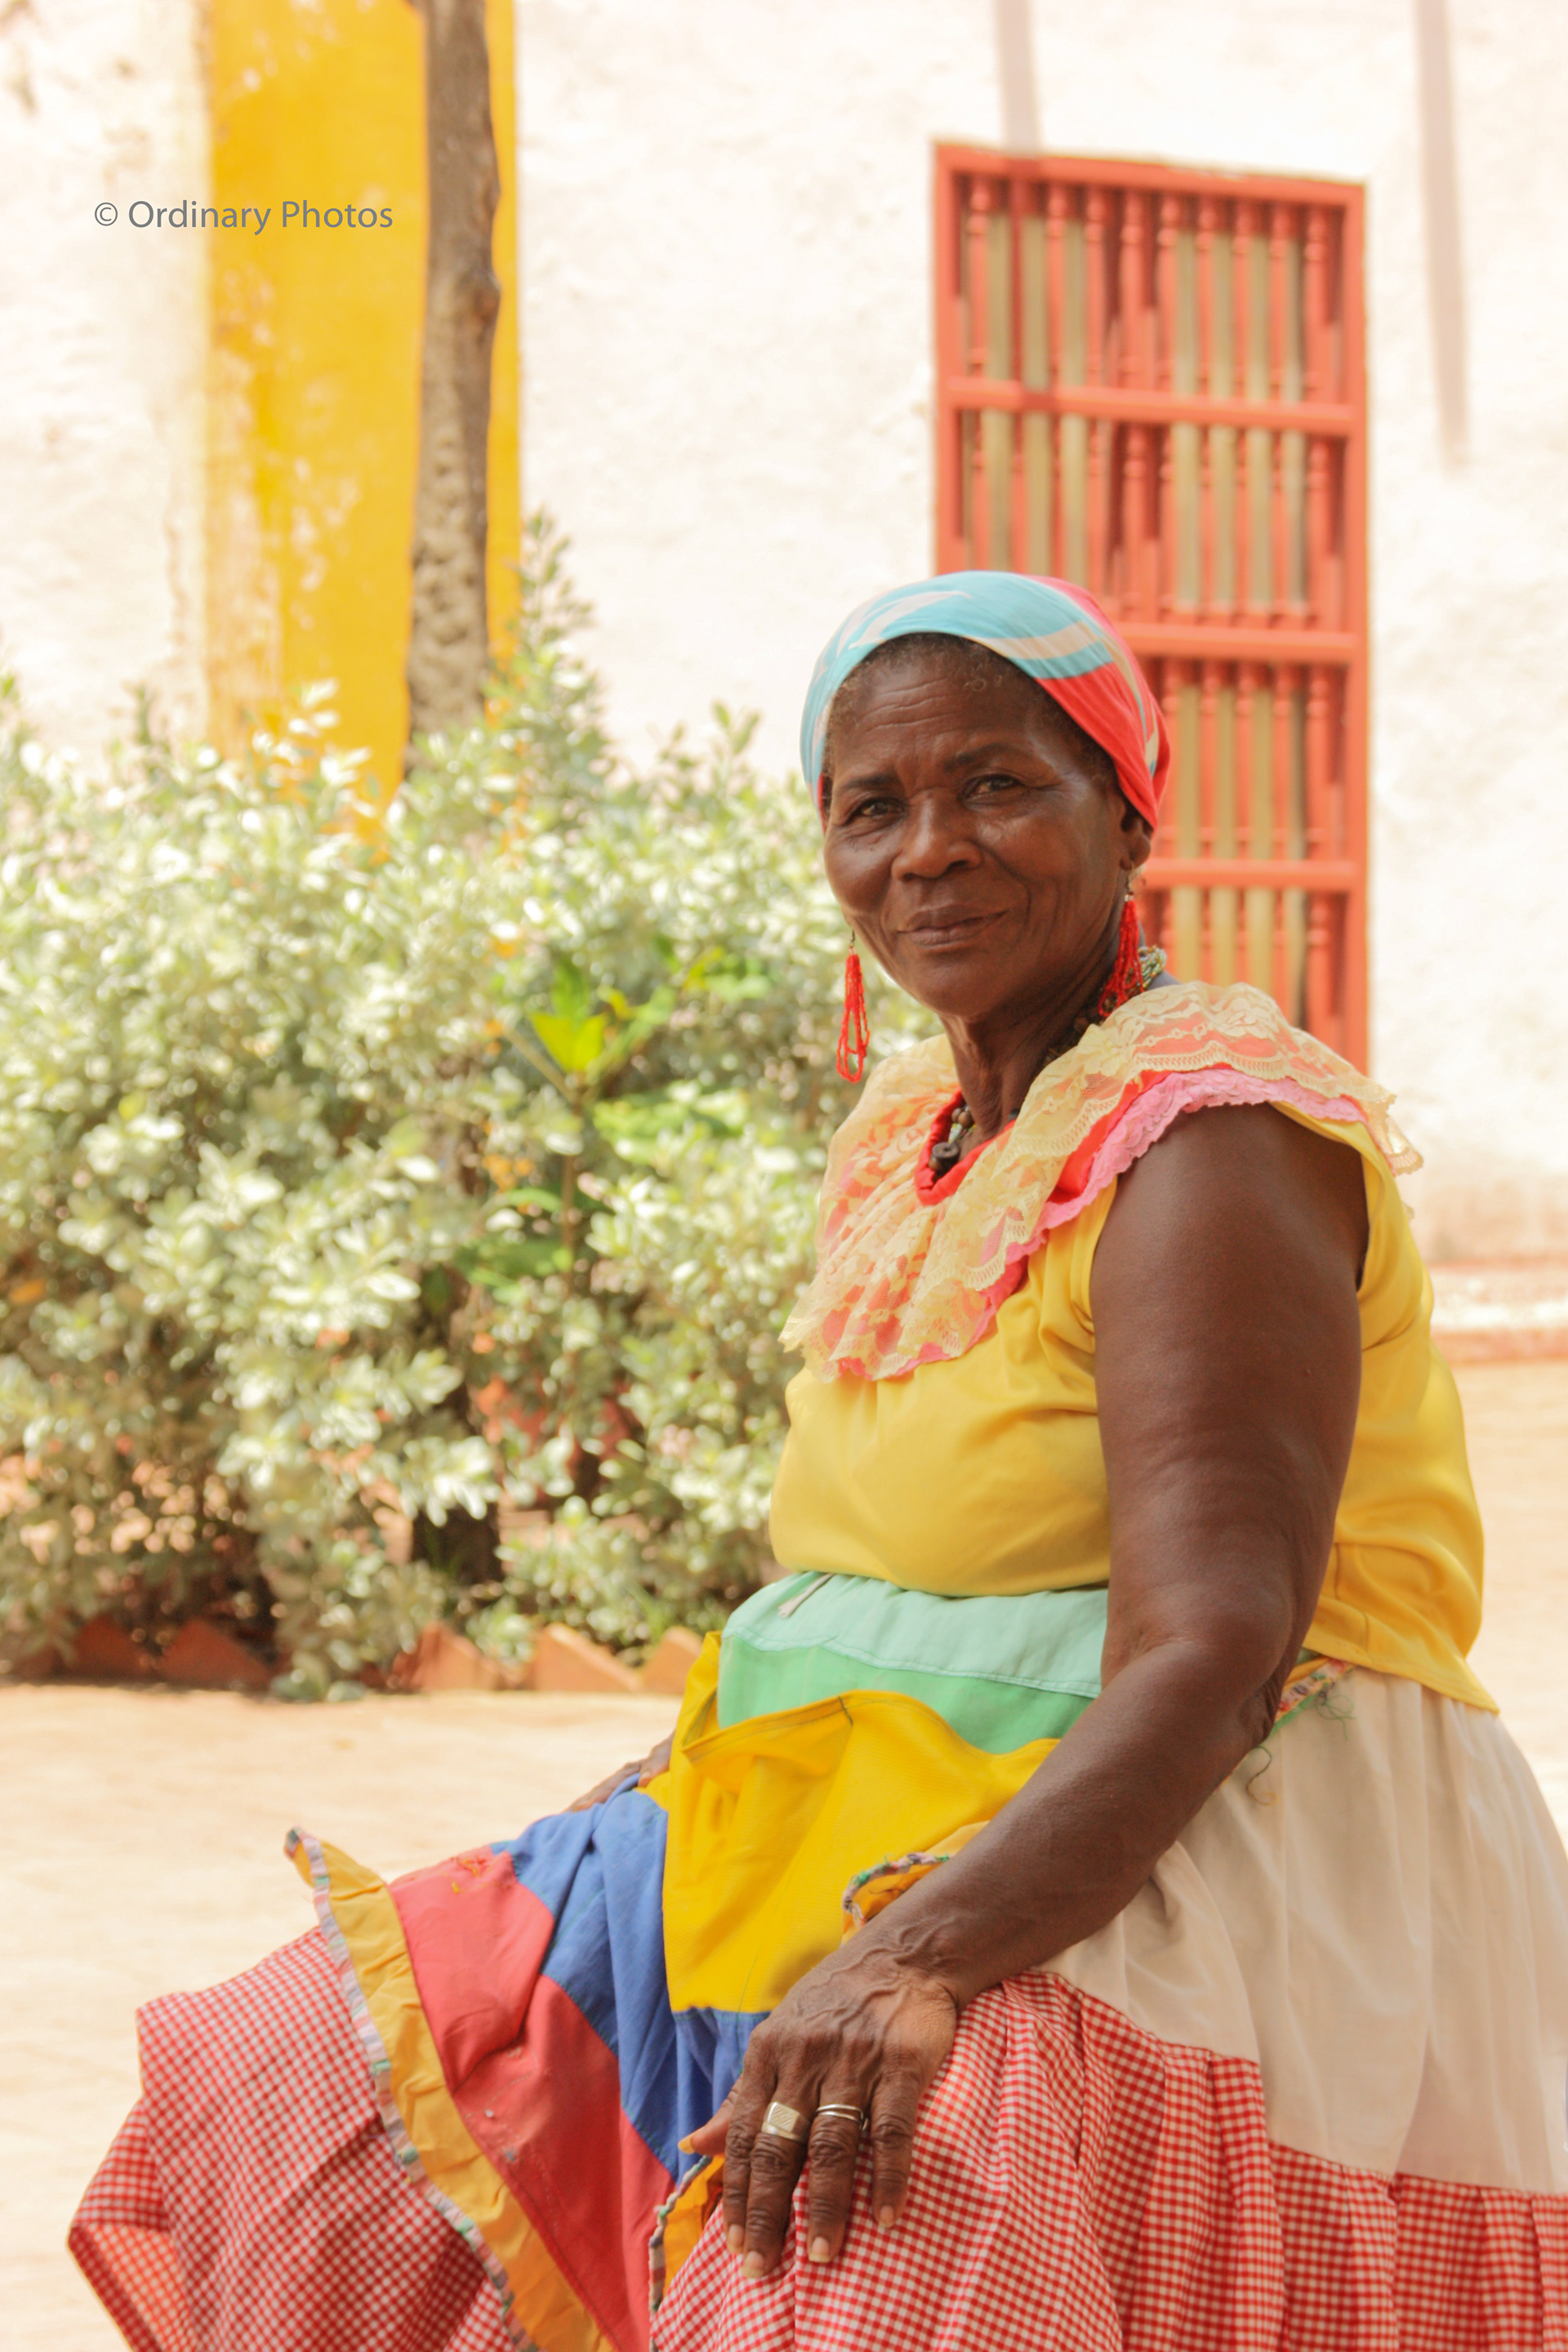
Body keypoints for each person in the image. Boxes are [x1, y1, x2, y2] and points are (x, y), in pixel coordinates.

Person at [73, 573, 1568, 2352]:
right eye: (875, 806)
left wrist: (918, 1958)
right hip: (870, 1811)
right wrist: (668, 1790)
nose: (932, 850)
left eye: (1000, 785)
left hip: (1215, 1824)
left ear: (1129, 811)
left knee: (890, 2212)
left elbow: (1215, 1649)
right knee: (311, 2073)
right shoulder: (917, 1145)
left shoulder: (1213, 1142)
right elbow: (877, 1579)